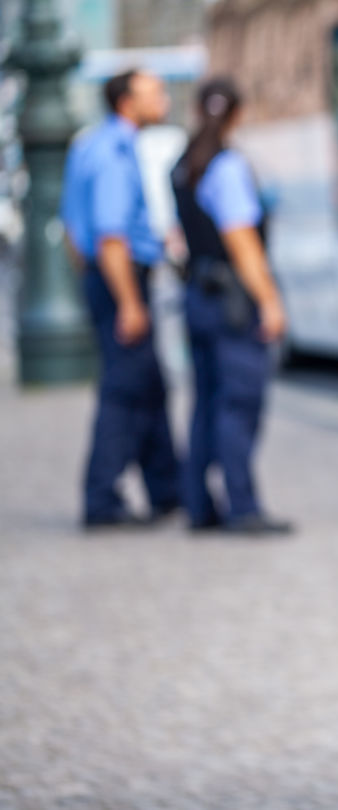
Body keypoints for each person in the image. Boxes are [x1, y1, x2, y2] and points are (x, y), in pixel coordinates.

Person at [61, 69, 182, 528]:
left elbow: (76, 235)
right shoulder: (113, 153)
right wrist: (128, 301)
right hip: (122, 280)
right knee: (124, 390)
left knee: (148, 385)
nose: (164, 100)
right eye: (155, 93)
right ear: (127, 103)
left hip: (106, 279)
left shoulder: (90, 145)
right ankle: (102, 499)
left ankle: (167, 488)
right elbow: (111, 237)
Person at [171, 77, 291, 535]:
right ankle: (243, 507)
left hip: (198, 296)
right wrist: (271, 302)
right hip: (233, 303)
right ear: (237, 114)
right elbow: (243, 244)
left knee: (205, 404)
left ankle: (199, 506)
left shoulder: (184, 165)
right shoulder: (227, 167)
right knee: (238, 405)